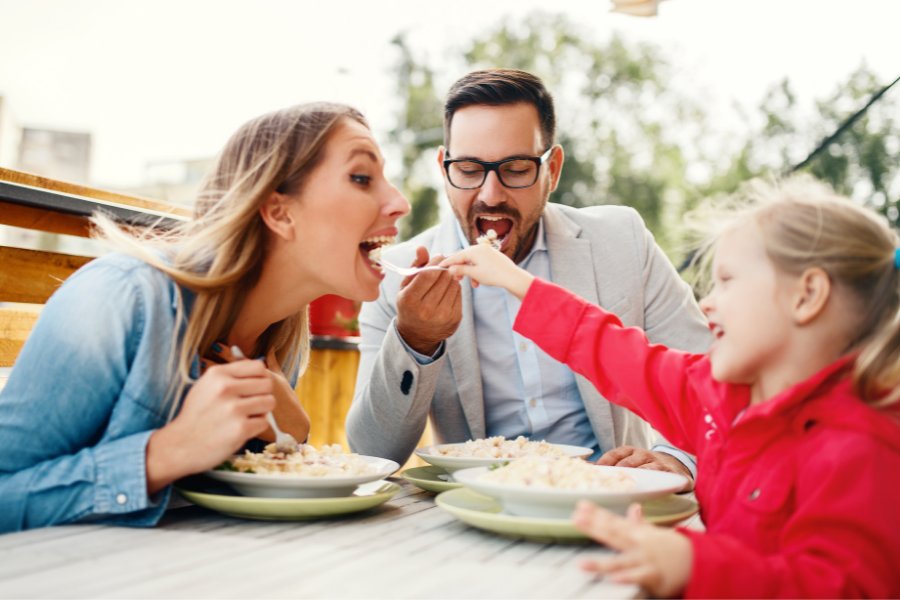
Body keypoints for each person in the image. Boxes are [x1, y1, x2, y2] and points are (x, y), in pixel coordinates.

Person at [440, 175, 900, 598]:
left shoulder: (861, 446)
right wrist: (518, 282)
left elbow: (841, 588)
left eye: (726, 282)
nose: (707, 302)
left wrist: (693, 564)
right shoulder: (718, 398)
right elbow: (615, 352)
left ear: (807, 295)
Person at [0, 102, 410, 532]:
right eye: (362, 177)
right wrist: (164, 454)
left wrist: (293, 435)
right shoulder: (120, 299)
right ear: (279, 212)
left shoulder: (279, 340)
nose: (399, 202)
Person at [346, 68, 710, 481]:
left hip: (610, 494)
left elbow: (710, 382)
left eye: (516, 169)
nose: (490, 193)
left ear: (552, 169)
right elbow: (372, 453)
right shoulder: (398, 275)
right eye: (467, 169)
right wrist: (416, 341)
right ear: (443, 167)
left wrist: (677, 457)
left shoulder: (623, 240)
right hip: (477, 508)